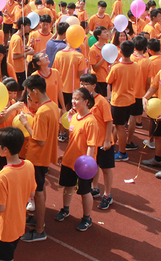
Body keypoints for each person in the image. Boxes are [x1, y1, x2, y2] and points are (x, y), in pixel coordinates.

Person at [0, 128, 36, 261]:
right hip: (18, 223)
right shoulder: (29, 165)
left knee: (1, 258)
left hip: (4, 227)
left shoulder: (3, 175)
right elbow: (32, 192)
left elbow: (0, 206)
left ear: (6, 149)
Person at [19, 75, 60, 242]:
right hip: (42, 158)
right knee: (39, 191)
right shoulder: (53, 106)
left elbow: (40, 140)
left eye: (30, 93)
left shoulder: (43, 112)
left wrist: (25, 123)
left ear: (35, 91)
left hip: (37, 157)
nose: (29, 97)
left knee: (39, 192)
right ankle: (38, 220)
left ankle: (40, 229)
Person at [55, 88, 100, 232]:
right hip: (70, 161)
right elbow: (72, 140)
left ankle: (87, 218)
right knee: (68, 187)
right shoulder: (74, 117)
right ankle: (65, 209)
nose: (74, 101)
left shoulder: (91, 121)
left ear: (86, 101)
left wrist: (86, 164)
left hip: (83, 165)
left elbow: (91, 146)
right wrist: (66, 154)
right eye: (73, 98)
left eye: (77, 99)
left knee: (84, 192)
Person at [80, 74, 115, 210]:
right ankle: (95, 188)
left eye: (86, 84)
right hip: (91, 142)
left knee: (106, 169)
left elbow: (109, 121)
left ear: (94, 86)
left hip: (103, 142)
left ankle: (107, 195)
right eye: (81, 83)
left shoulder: (101, 101)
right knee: (93, 167)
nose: (82, 86)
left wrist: (107, 140)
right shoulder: (84, 101)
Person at [106, 40, 139, 162]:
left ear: (120, 51)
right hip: (130, 99)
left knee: (120, 127)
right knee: (120, 125)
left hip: (119, 101)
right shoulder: (135, 65)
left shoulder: (116, 68)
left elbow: (109, 81)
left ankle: (122, 153)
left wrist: (110, 69)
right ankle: (112, 144)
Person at [8, 17, 34, 90]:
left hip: (18, 68)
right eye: (28, 25)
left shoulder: (16, 36)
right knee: (18, 91)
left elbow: (19, 51)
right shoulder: (17, 39)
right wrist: (28, 53)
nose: (29, 27)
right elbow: (14, 56)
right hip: (17, 69)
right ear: (22, 26)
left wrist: (27, 49)